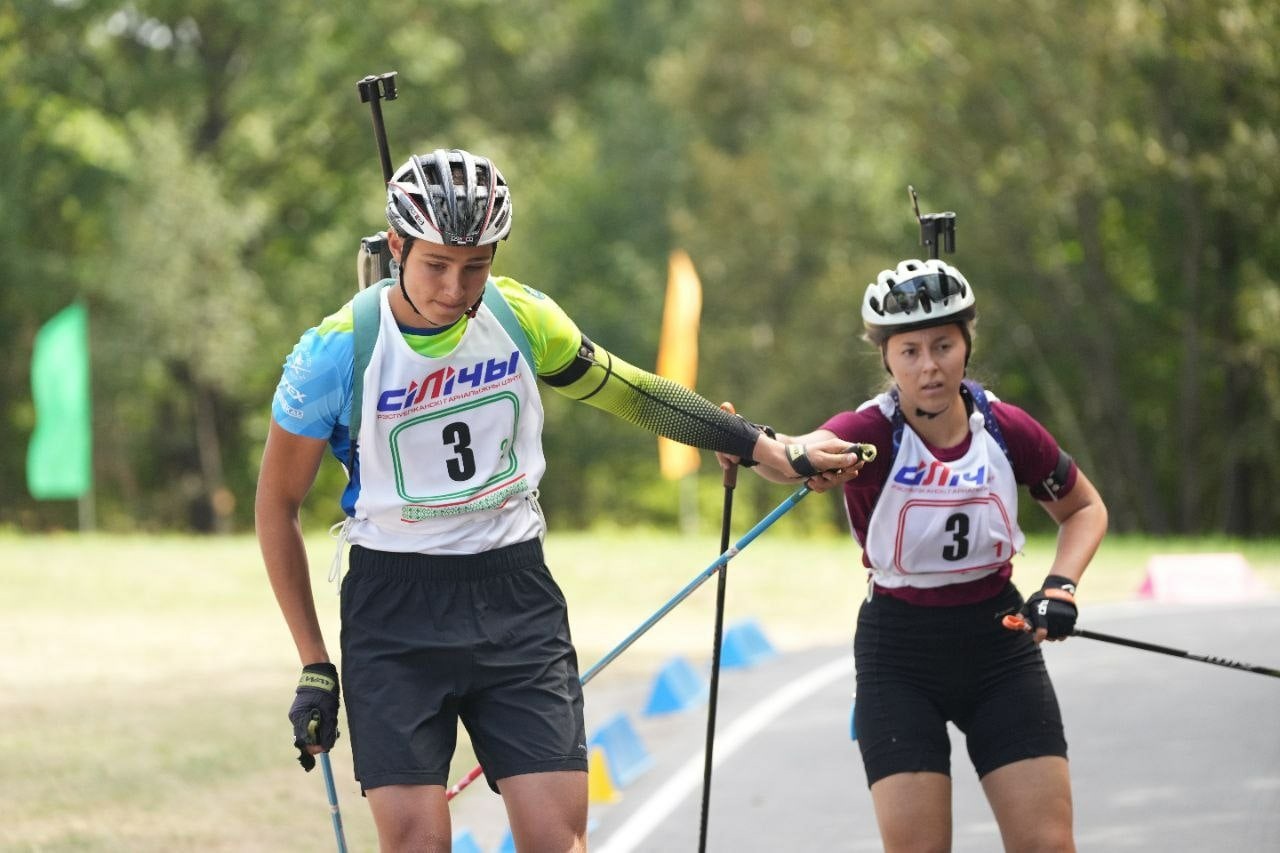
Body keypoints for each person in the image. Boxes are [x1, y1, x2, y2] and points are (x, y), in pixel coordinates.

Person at [254, 147, 862, 853]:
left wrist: (764, 447)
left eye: (476, 266)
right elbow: (276, 505)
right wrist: (314, 661)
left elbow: (637, 394)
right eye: (436, 265)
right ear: (395, 246)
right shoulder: (336, 352)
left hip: (513, 594)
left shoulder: (520, 317)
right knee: (416, 842)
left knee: (557, 840)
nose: (455, 287)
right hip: (394, 612)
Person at [722, 257, 1108, 852]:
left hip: (999, 643)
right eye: (910, 351)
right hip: (899, 654)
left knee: (1048, 846)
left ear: (966, 346)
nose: (929, 366)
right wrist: (746, 442)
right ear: (887, 358)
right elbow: (797, 453)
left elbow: (1084, 509)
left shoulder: (1005, 429)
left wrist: (1061, 586)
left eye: (943, 346)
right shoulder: (871, 434)